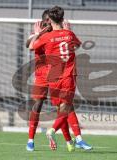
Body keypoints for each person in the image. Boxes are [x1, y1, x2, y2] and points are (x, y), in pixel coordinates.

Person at [29, 6, 92, 150]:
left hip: (53, 77)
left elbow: (32, 46)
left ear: (49, 20)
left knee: (62, 108)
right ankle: (56, 131)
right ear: (63, 19)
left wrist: (38, 34)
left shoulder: (46, 37)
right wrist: (68, 30)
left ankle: (72, 141)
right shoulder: (69, 34)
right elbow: (76, 46)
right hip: (68, 75)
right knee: (66, 107)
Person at [26, 9, 75, 152]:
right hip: (42, 75)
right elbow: (28, 45)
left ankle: (69, 140)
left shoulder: (60, 34)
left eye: (50, 20)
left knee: (63, 107)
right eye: (46, 21)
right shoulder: (40, 34)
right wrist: (38, 33)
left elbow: (70, 46)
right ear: (44, 22)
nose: (49, 23)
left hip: (57, 74)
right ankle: (30, 140)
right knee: (37, 105)